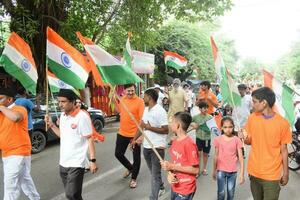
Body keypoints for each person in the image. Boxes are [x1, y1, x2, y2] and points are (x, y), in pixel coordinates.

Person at [239, 87, 292, 200]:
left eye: (254, 102)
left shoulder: (282, 123)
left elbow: (284, 151)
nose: (252, 104)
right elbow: (249, 141)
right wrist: (244, 137)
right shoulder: (252, 118)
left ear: (264, 103)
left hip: (272, 176)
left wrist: (286, 173)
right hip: (254, 173)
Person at [45, 89, 97, 200]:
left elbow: (90, 139)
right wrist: (51, 125)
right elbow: (62, 136)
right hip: (63, 162)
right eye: (59, 102)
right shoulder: (63, 116)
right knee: (74, 195)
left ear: (73, 102)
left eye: (63, 102)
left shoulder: (82, 117)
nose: (60, 104)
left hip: (77, 163)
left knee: (71, 194)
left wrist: (92, 161)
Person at [0, 87, 40, 200]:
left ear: (9, 100)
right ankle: (35, 198)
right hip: (6, 153)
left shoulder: (19, 108)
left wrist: (1, 107)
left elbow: (16, 117)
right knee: (24, 179)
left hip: (19, 151)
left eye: (0, 99)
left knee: (9, 183)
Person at [138, 88, 169, 200]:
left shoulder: (160, 111)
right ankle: (161, 187)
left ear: (149, 98)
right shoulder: (146, 110)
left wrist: (149, 127)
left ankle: (153, 197)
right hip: (146, 146)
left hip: (157, 148)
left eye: (144, 96)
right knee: (153, 172)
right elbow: (142, 125)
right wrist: (134, 139)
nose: (143, 98)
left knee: (154, 176)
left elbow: (166, 130)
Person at [161, 112, 199, 200]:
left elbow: (195, 170)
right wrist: (169, 171)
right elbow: (177, 163)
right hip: (175, 185)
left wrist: (172, 166)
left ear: (178, 125)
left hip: (186, 188)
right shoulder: (175, 141)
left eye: (172, 122)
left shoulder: (189, 144)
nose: (170, 124)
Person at [114, 83, 145, 188]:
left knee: (136, 158)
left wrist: (140, 136)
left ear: (135, 90)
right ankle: (130, 168)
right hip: (122, 132)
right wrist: (114, 101)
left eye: (132, 90)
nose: (131, 92)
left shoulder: (140, 102)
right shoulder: (122, 99)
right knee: (118, 154)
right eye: (128, 91)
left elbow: (142, 120)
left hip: (134, 134)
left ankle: (134, 179)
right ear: (124, 91)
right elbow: (119, 111)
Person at [213, 117, 245, 200]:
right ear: (222, 128)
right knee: (221, 193)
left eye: (230, 127)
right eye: (225, 127)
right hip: (221, 171)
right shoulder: (218, 140)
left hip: (232, 172)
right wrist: (214, 170)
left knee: (231, 193)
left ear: (233, 127)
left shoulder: (237, 140)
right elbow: (215, 156)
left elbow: (241, 158)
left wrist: (242, 174)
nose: (228, 129)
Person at [190, 101, 213, 176]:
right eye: (204, 108)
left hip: (207, 139)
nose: (206, 109)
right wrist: (193, 124)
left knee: (205, 154)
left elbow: (213, 128)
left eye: (207, 108)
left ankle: (204, 169)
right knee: (198, 154)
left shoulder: (210, 117)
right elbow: (189, 121)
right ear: (200, 109)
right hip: (199, 138)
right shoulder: (196, 117)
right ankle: (198, 170)